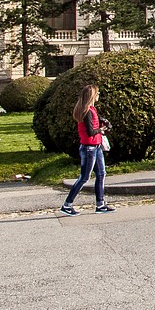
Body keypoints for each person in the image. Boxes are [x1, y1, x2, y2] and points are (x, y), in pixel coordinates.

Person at [60, 85, 115, 215]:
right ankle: (67, 205)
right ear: (92, 96)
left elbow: (95, 122)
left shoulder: (91, 109)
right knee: (84, 177)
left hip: (96, 146)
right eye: (97, 93)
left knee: (101, 174)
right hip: (89, 147)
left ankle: (100, 204)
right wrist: (101, 130)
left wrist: (103, 122)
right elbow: (90, 131)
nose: (98, 96)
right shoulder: (87, 111)